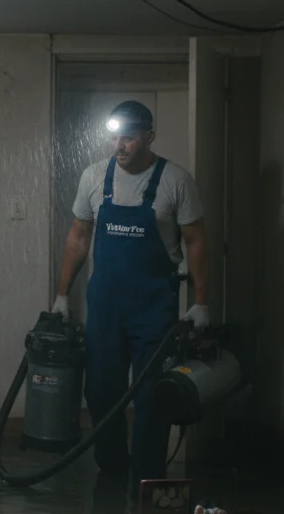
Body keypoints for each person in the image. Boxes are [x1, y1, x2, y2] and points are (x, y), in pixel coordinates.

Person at [51, 100, 209, 482]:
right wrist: (61, 294)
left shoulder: (175, 180)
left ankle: (147, 473)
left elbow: (196, 240)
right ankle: (112, 468)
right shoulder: (94, 177)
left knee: (151, 394)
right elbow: (79, 234)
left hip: (154, 309)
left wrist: (203, 302)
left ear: (149, 136)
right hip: (105, 307)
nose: (120, 146)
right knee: (102, 391)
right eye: (115, 137)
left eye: (129, 137)